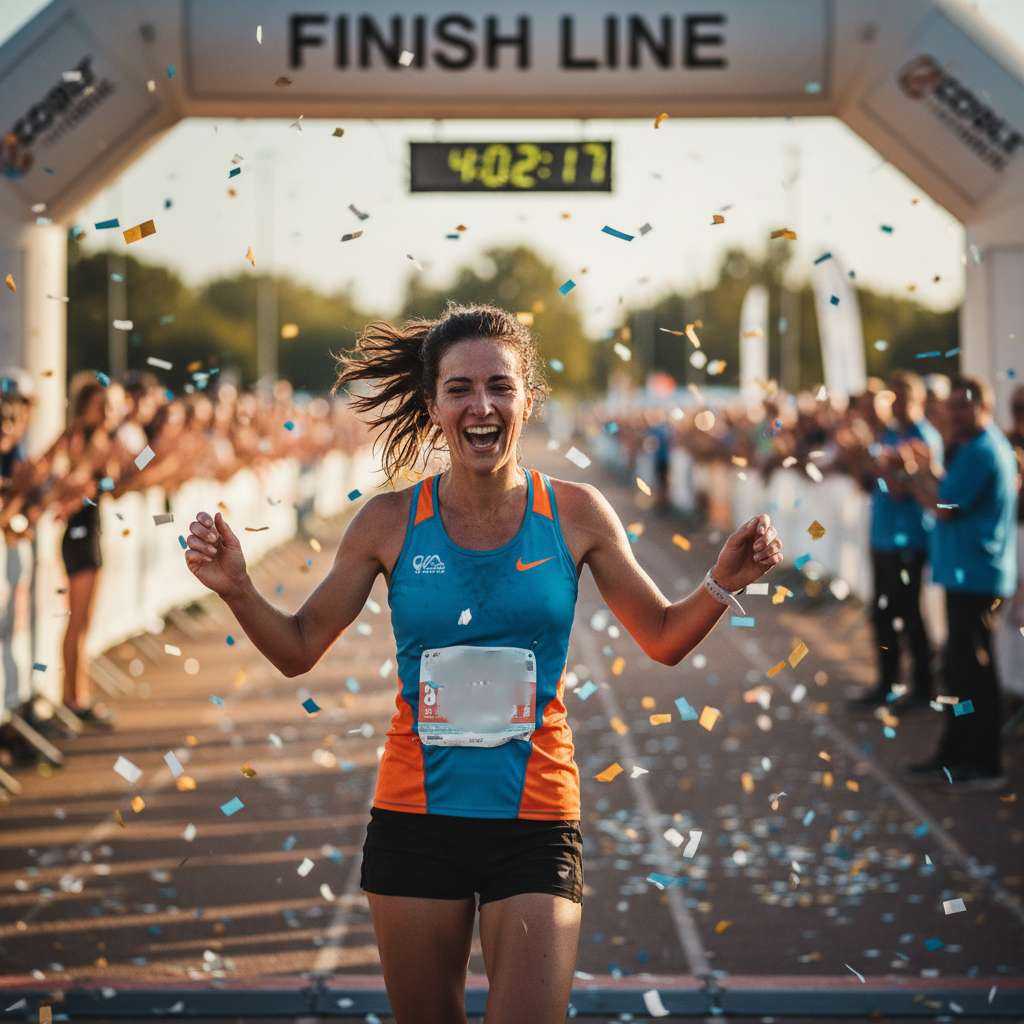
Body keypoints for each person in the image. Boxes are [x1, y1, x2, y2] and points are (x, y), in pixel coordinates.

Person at [183, 303, 783, 1024]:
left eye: (499, 386)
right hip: (415, 817)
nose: (482, 405)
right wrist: (239, 590)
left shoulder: (577, 513)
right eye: (461, 388)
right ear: (434, 405)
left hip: (534, 819)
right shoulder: (387, 521)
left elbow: (660, 635)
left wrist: (722, 583)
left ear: (528, 399)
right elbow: (299, 648)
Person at [902, 376, 1018, 788]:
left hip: (977, 577)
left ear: (983, 408)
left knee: (973, 672)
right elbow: (946, 495)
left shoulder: (982, 451)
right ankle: (955, 751)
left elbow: (943, 506)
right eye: (950, 406)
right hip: (968, 574)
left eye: (962, 406)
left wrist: (915, 473)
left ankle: (984, 761)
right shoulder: (974, 449)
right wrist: (926, 473)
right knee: (958, 667)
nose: (953, 414)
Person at [849, 372, 943, 710]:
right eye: (894, 397)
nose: (897, 404)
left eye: (902, 397)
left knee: (908, 614)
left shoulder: (925, 436)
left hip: (909, 541)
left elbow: (905, 489)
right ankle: (887, 683)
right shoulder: (886, 434)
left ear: (917, 400)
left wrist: (888, 469)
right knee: (882, 614)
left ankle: (922, 688)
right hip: (881, 536)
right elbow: (865, 483)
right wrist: (862, 454)